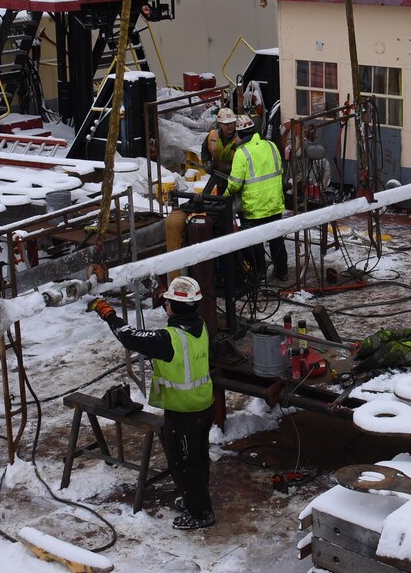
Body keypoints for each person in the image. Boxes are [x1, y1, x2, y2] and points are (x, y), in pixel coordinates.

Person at [87, 276, 216, 530]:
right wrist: (157, 289)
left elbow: (130, 336)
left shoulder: (169, 339)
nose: (165, 305)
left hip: (184, 411)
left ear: (175, 308)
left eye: (168, 302)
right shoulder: (198, 325)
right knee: (198, 459)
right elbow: (174, 312)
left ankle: (202, 513)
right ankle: (194, 500)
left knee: (185, 463)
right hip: (203, 405)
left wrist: (107, 313)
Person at [225, 114, 288, 281]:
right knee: (276, 239)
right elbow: (280, 171)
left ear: (238, 134)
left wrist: (224, 197)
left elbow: (234, 184)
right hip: (274, 204)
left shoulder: (242, 152)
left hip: (254, 208)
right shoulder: (271, 145)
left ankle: (259, 273)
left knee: (254, 242)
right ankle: (282, 272)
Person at [200, 107, 240, 192]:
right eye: (226, 124)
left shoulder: (240, 139)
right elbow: (205, 149)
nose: (230, 126)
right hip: (218, 175)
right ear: (221, 124)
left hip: (235, 177)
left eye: (232, 123)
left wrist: (228, 168)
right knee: (220, 198)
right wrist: (206, 161)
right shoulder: (212, 135)